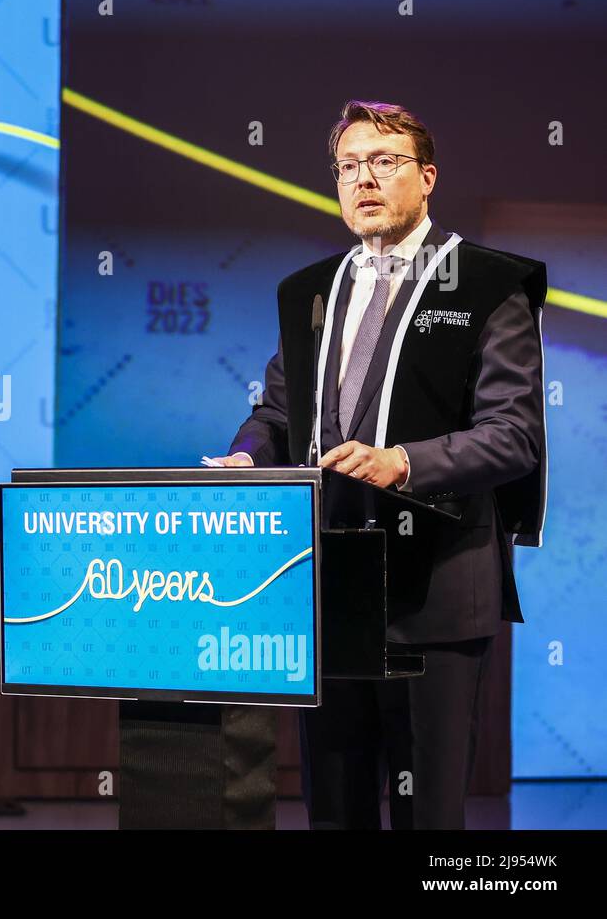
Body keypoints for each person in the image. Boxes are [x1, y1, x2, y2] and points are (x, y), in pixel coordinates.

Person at [210, 101, 547, 828]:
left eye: (384, 162)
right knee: (335, 809)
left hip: (438, 593)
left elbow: (514, 435)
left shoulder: (487, 284)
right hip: (329, 584)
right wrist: (246, 456)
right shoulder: (312, 291)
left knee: (429, 815)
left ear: (427, 178)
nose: (364, 179)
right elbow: (277, 413)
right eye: (348, 166)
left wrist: (403, 461)